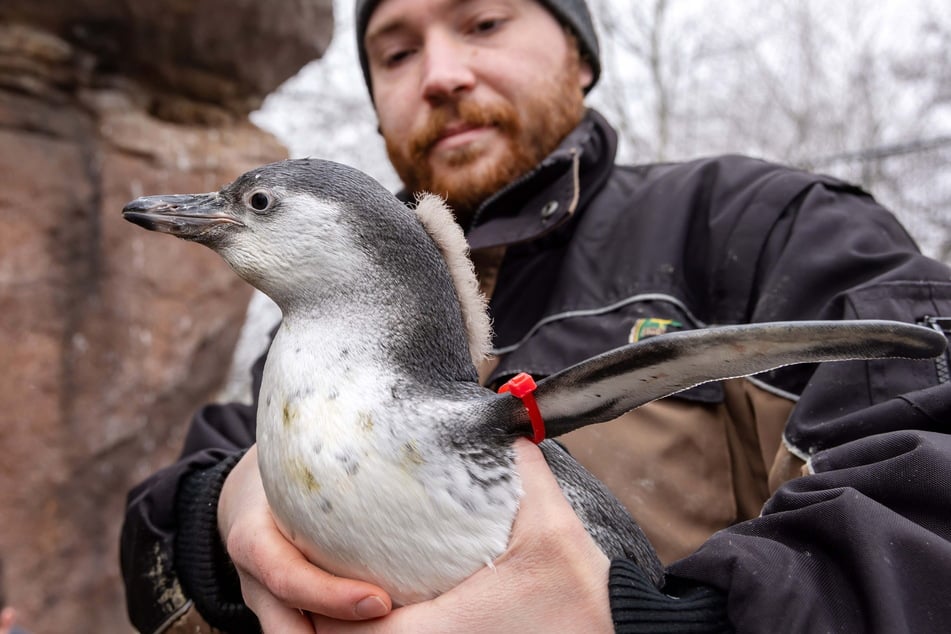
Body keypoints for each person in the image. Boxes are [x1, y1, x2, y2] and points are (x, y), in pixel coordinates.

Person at [120, 0, 951, 631]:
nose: (439, 73)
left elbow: (926, 481)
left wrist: (657, 617)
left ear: (579, 54)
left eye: (482, 22)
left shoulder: (760, 223)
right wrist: (228, 506)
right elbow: (148, 534)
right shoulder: (311, 318)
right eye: (396, 52)